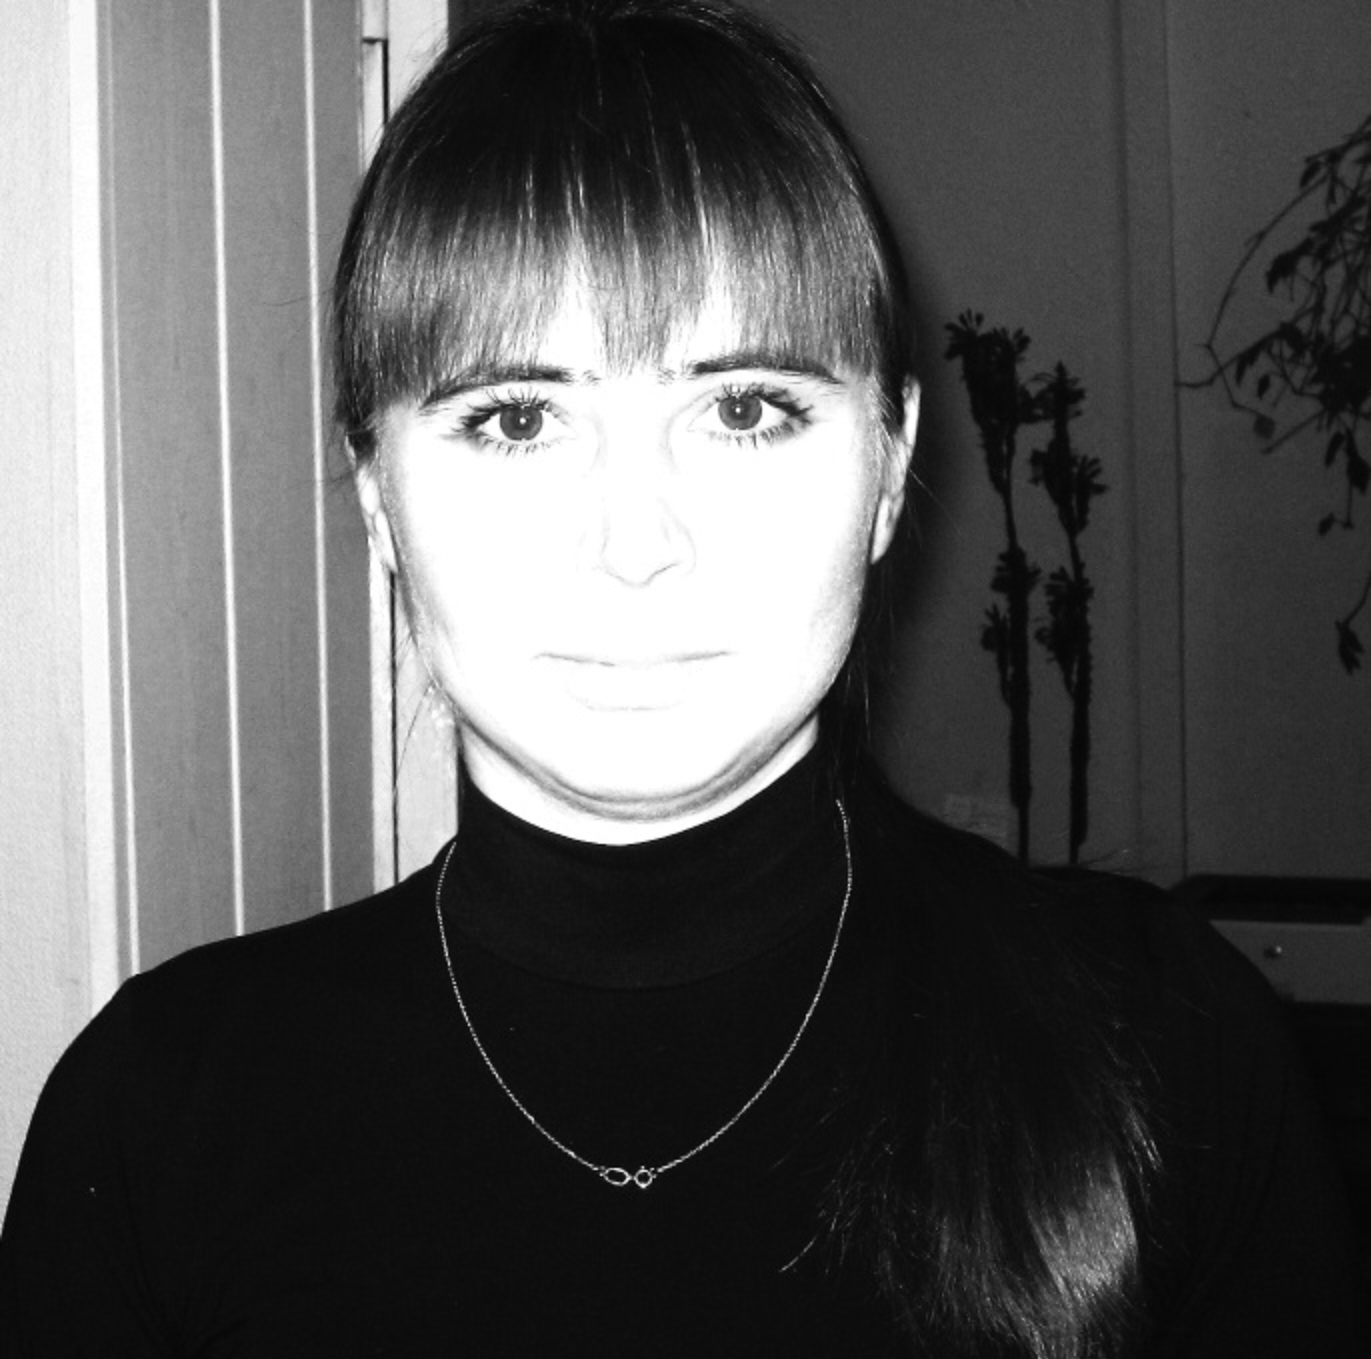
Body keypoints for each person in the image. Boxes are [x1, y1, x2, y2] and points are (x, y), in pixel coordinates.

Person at [1, 0, 1365, 1354]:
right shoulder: (158, 1112)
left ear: (889, 470)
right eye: (516, 418)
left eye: (743, 408)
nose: (637, 545)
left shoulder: (1169, 1048)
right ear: (378, 505)